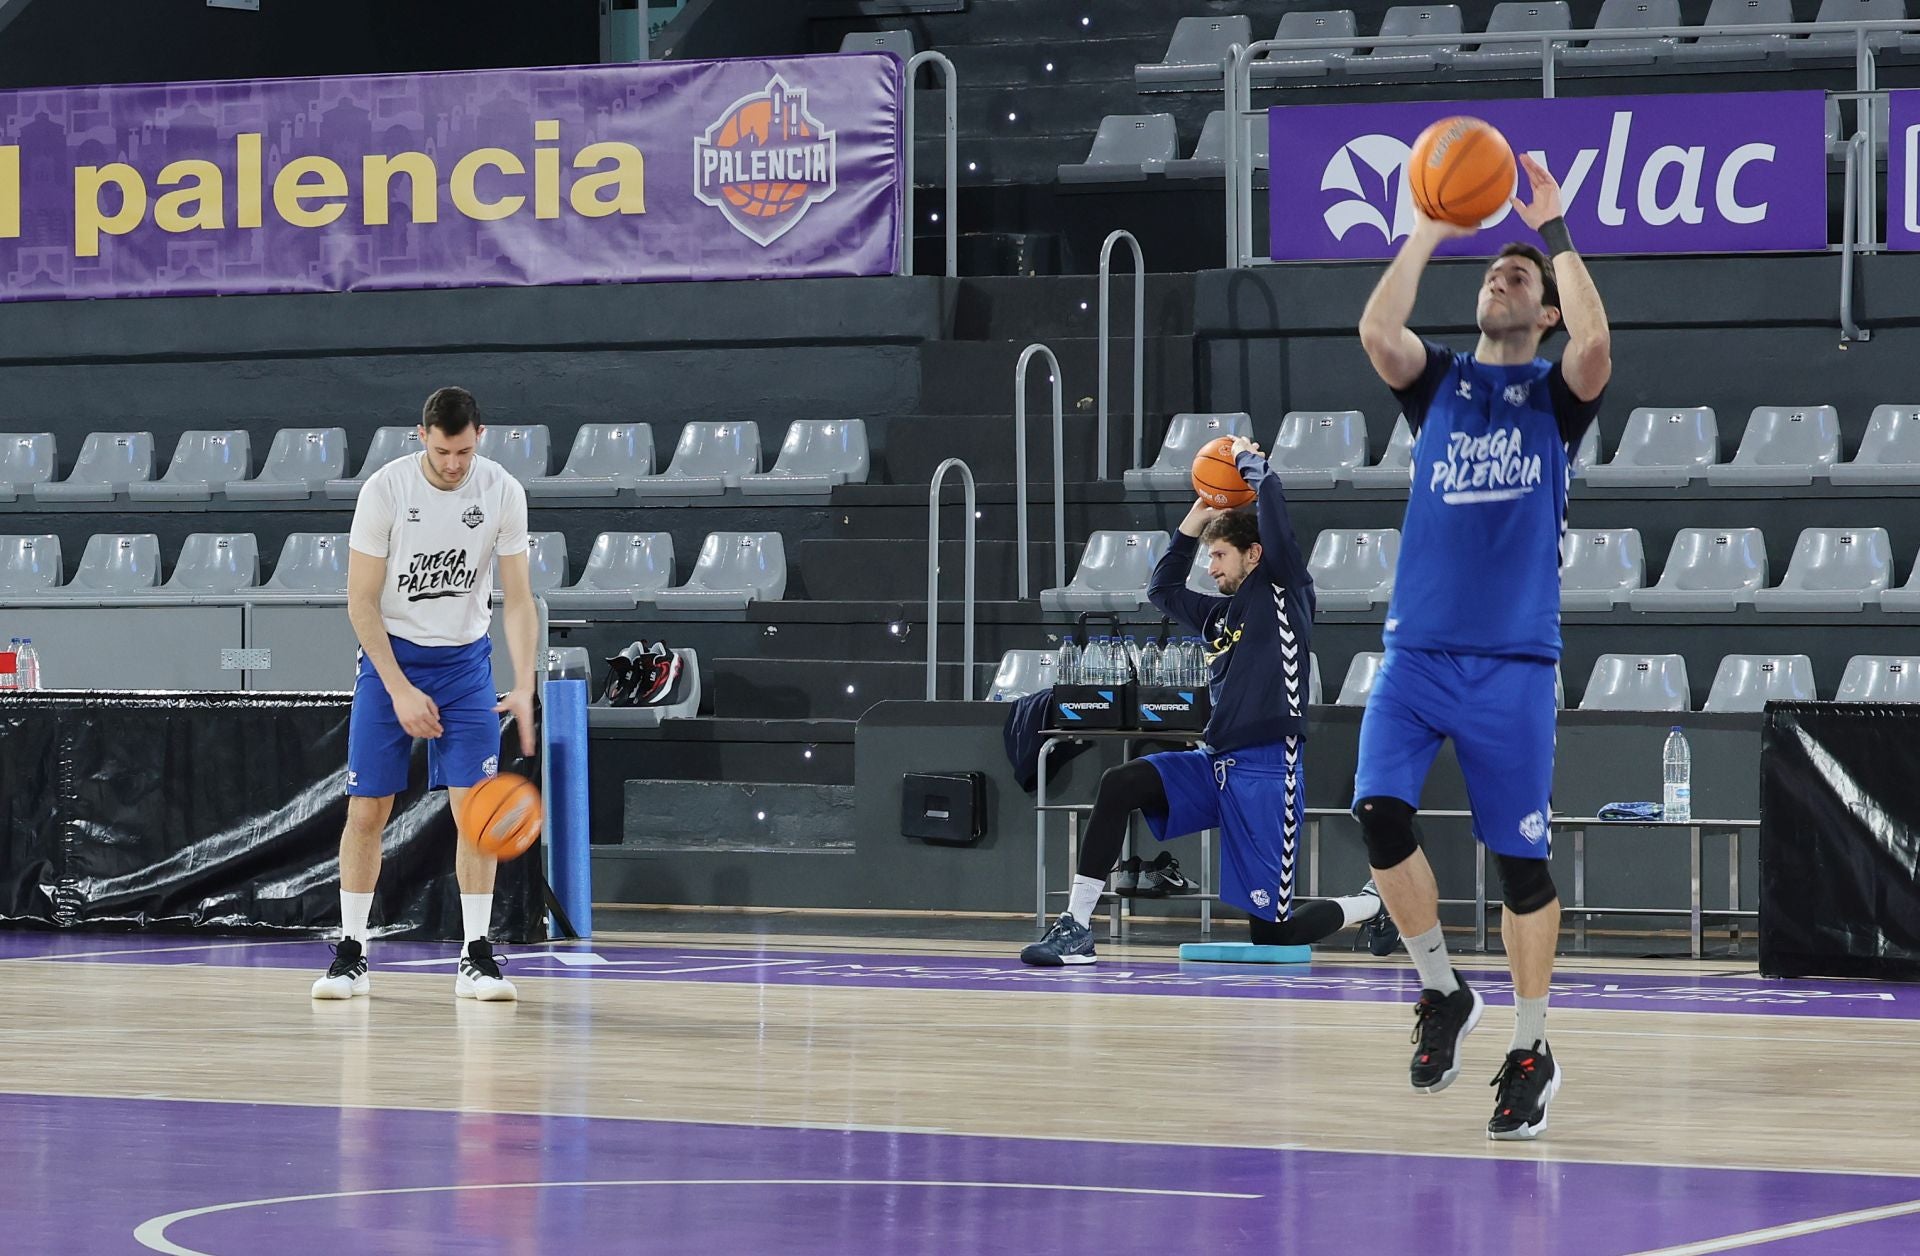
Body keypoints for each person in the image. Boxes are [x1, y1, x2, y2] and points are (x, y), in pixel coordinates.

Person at [1352, 156, 1610, 1139]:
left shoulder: (1557, 397)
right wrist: (1427, 224)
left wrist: (1554, 232)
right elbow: (1379, 330)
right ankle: (1442, 991)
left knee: (1518, 868)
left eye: (1521, 278)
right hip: (1416, 656)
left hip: (1513, 665)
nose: (1502, 278)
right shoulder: (1441, 385)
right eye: (1492, 270)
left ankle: (1533, 1044)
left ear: (1545, 313)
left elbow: (1598, 343)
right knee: (1378, 813)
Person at [1022, 436, 1397, 966]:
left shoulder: (1285, 592)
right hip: (1215, 761)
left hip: (1269, 769)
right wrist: (1196, 518)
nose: (1212, 567)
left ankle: (1372, 901)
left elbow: (1278, 516)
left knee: (1276, 936)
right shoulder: (1218, 616)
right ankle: (1077, 925)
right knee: (1121, 783)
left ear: (1255, 554)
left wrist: (1251, 468)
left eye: (1220, 556)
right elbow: (1162, 589)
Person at [311, 386, 539, 1003]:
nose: (454, 465)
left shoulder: (502, 492)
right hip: (392, 658)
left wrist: (524, 682)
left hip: (466, 664)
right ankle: (353, 951)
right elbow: (360, 601)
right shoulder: (386, 490)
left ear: (479, 437)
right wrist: (399, 688)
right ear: (423, 438)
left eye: (464, 452)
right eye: (443, 452)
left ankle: (476, 955)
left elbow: (518, 598)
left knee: (477, 812)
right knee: (367, 811)